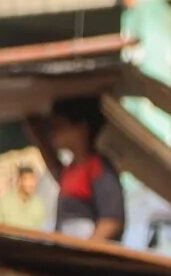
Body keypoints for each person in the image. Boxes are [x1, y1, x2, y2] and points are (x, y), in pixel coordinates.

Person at [26, 97, 126, 242]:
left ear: (81, 128)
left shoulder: (98, 168)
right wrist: (36, 131)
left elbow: (111, 220)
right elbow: (53, 164)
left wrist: (86, 252)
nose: (53, 132)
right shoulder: (72, 169)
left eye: (60, 125)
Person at [0, 162, 50, 232]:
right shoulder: (4, 201)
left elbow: (40, 228)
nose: (32, 183)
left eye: (33, 179)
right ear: (19, 181)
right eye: (28, 179)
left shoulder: (38, 203)